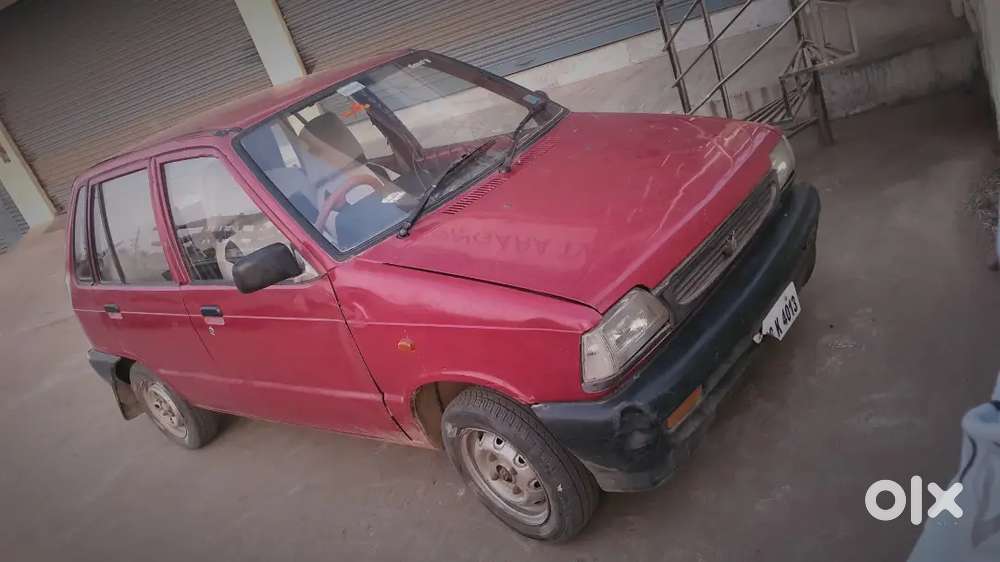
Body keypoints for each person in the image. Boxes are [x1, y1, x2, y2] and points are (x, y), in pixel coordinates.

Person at [298, 112, 408, 249]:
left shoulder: (371, 169)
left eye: (345, 135)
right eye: (339, 139)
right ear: (319, 153)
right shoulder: (341, 195)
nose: (349, 140)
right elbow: (395, 218)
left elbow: (406, 200)